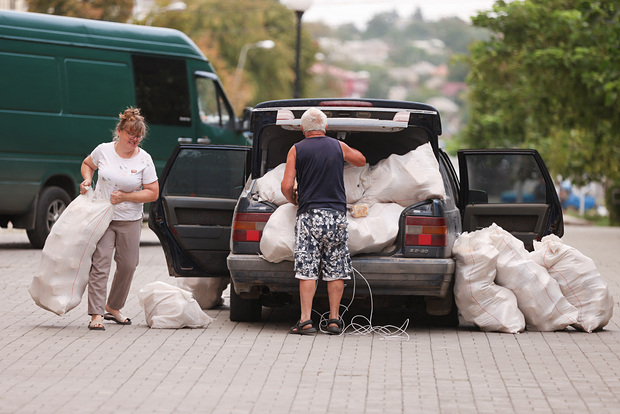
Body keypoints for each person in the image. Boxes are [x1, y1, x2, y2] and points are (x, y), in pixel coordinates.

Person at [281, 107, 366, 335]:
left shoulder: (296, 149)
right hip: (336, 216)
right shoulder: (337, 146)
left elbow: (286, 186)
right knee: (336, 268)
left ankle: (306, 321)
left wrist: (294, 200)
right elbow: (361, 160)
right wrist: (342, 153)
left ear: (302, 129)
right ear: (325, 128)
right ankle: (334, 320)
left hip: (309, 216)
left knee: (307, 268)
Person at [80, 107, 159, 331]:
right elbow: (87, 164)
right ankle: (96, 313)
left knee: (128, 265)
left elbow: (153, 192)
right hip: (103, 215)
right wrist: (87, 180)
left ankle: (112, 307)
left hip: (130, 219)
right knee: (101, 263)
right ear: (120, 131)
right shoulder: (104, 151)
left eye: (138, 135)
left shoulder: (144, 159)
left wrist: (127, 196)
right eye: (130, 134)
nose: (134, 139)